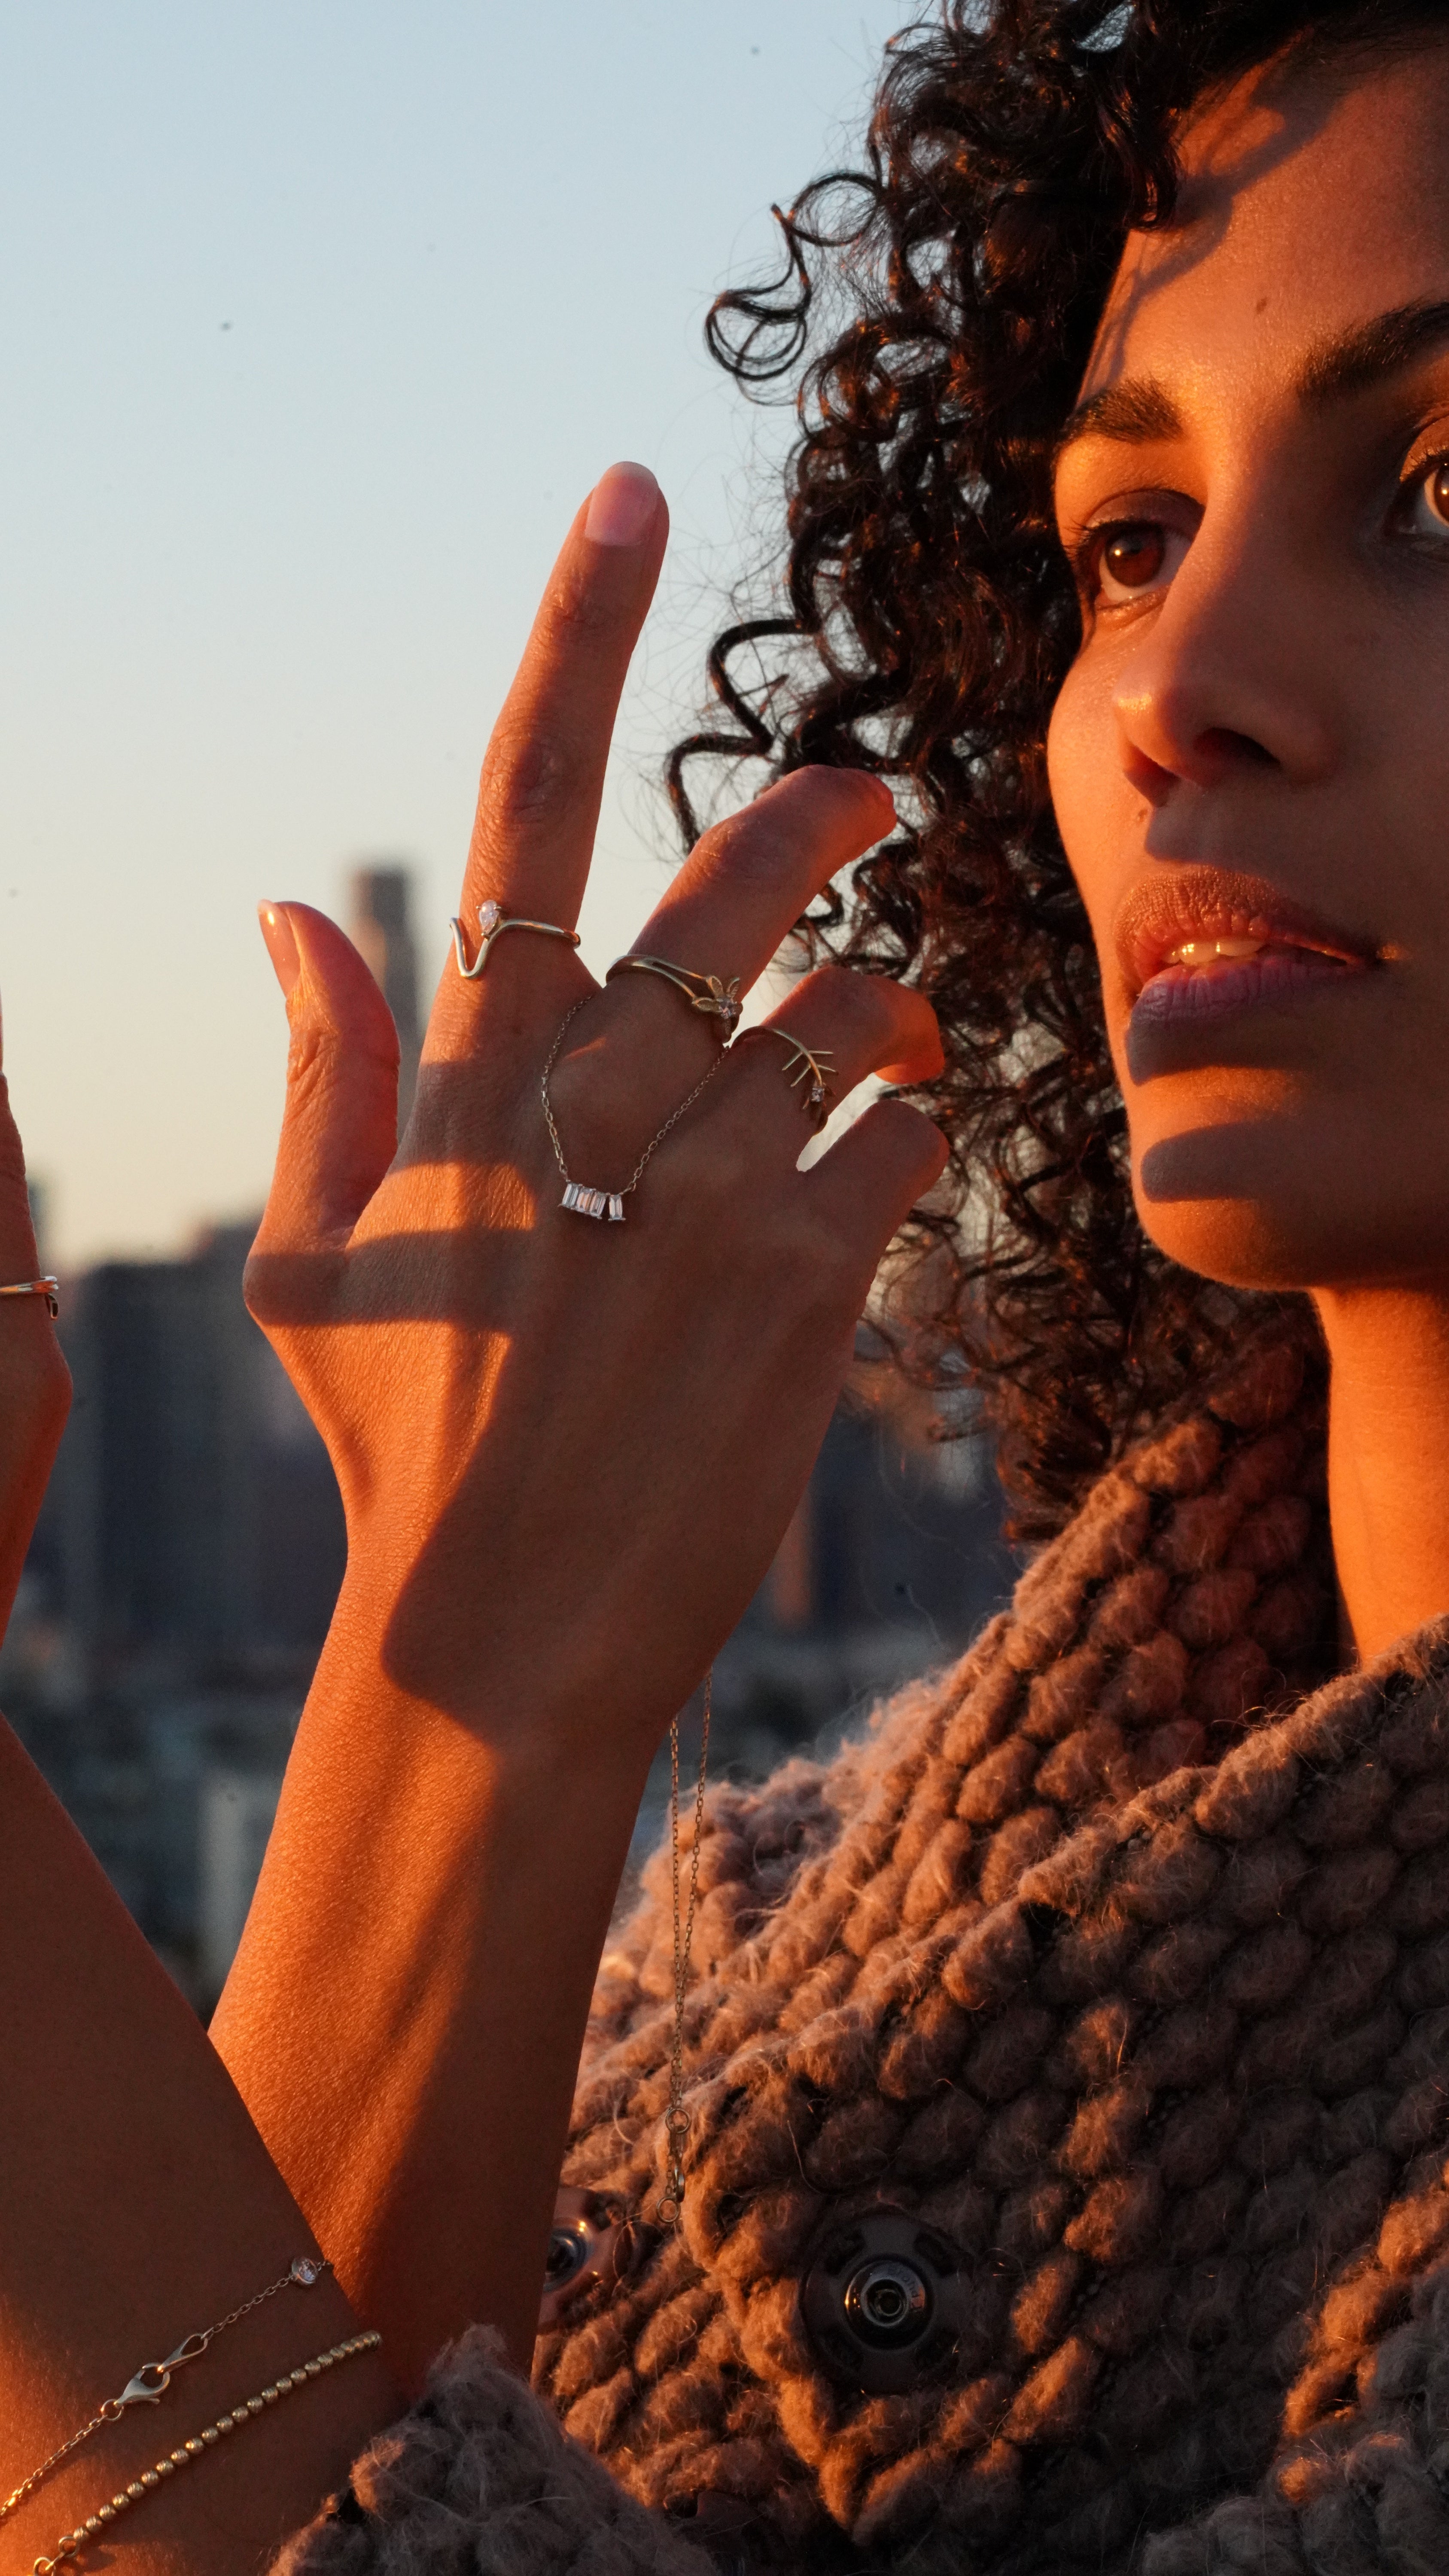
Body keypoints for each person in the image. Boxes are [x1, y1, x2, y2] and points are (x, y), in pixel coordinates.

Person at [11, 4, 1449, 2574]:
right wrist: (454, 1703)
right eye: (1123, 543)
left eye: (1444, 498)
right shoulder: (777, 1931)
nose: (1168, 696)